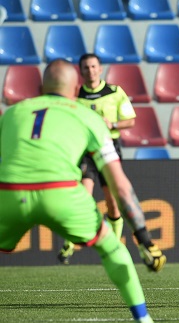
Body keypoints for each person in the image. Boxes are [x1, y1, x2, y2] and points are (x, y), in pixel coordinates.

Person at [0, 59, 166, 323]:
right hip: (61, 194)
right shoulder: (88, 117)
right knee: (112, 248)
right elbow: (121, 187)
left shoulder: (12, 113)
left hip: (9, 194)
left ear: (41, 87)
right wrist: (144, 238)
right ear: (75, 87)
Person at [58, 53, 137, 264]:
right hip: (86, 151)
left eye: (93, 67)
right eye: (86, 68)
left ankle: (116, 244)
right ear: (81, 71)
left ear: (100, 69)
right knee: (83, 197)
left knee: (112, 203)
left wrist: (112, 125)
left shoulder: (114, 92)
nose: (90, 71)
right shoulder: (75, 96)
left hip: (108, 149)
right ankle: (68, 245)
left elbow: (130, 121)